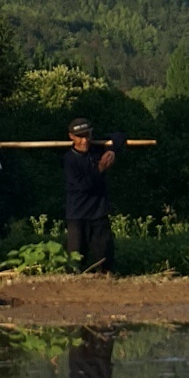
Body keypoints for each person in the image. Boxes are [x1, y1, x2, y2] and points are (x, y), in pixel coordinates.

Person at [63, 117, 126, 274]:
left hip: (98, 213)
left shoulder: (97, 149)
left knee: (105, 258)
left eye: (87, 136)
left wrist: (112, 150)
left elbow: (119, 136)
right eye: (80, 137)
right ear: (71, 137)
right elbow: (84, 185)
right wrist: (101, 167)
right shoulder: (70, 160)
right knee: (75, 260)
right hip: (77, 215)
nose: (85, 141)